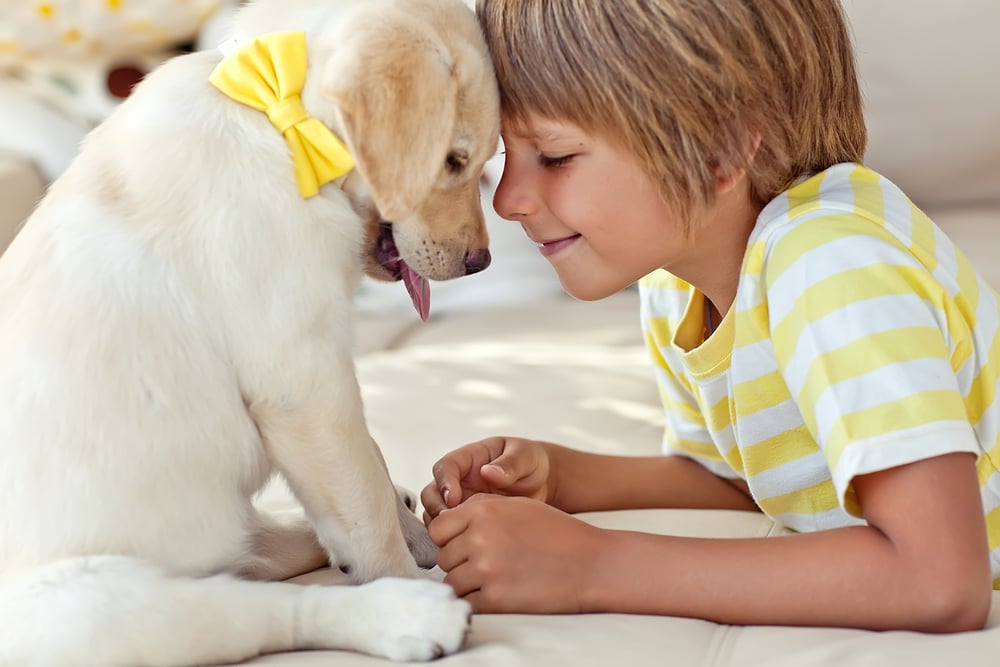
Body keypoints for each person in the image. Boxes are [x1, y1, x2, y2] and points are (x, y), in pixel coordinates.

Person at [419, 0, 1000, 632]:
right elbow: (748, 477)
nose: (507, 201)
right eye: (507, 158)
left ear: (721, 151)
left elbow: (940, 579)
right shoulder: (680, 282)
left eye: (555, 156)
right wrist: (561, 479)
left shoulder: (831, 267)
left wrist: (593, 566)